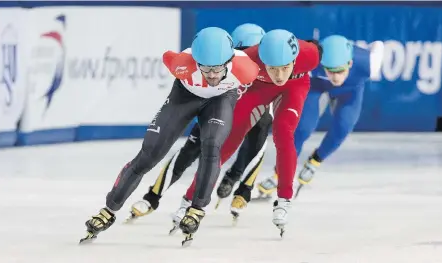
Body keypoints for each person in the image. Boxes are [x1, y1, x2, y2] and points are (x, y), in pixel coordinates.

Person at [78, 27, 259, 245]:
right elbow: (167, 56)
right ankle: (108, 210)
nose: (211, 75)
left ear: (229, 61)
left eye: (217, 69)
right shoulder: (180, 63)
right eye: (205, 69)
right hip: (184, 97)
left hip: (220, 100)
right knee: (148, 155)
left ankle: (197, 209)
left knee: (211, 147)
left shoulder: (247, 68)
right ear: (195, 62)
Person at [173, 29, 321, 241]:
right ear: (263, 61)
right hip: (259, 87)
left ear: (295, 59)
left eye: (284, 68)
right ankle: (189, 199)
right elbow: (213, 64)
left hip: (294, 87)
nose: (278, 76)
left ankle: (284, 199)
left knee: (283, 132)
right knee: (228, 142)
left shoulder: (311, 55)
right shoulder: (249, 57)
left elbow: (317, 51)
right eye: (272, 68)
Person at [252, 35, 385, 199]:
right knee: (301, 129)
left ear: (350, 64)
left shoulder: (370, 63)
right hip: (316, 86)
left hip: (351, 90)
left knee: (343, 126)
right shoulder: (309, 62)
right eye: (330, 71)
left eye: (340, 71)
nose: (335, 77)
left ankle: (316, 160)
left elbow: (377, 44)